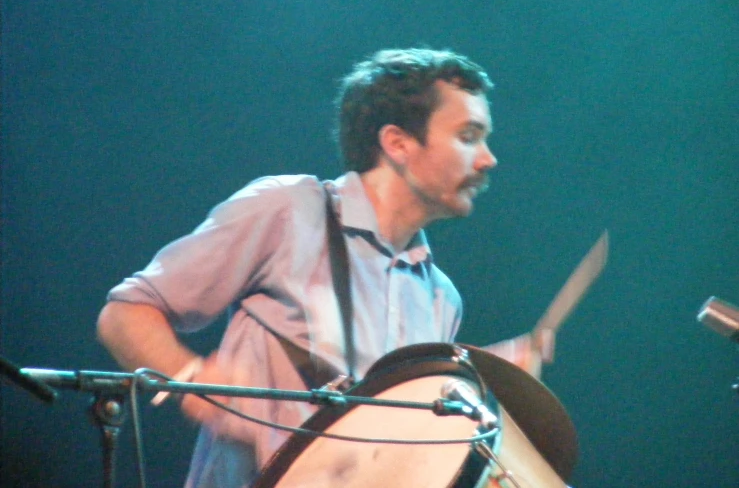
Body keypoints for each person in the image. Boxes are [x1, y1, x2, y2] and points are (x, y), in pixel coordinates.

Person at [97, 47, 535, 488]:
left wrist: (481, 382)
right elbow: (125, 314)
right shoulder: (288, 210)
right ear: (397, 143)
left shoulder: (440, 296)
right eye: (468, 136)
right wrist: (192, 380)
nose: (487, 158)